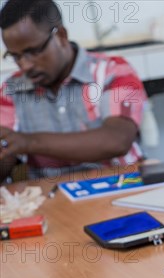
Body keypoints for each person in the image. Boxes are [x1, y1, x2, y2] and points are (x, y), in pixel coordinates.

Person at [0, 0, 146, 182]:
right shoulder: (11, 90)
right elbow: (6, 156)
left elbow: (117, 140)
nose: (25, 65)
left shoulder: (114, 71)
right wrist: (6, 150)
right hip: (52, 202)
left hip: (122, 189)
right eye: (15, 56)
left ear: (61, 35)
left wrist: (27, 142)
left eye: (34, 51)